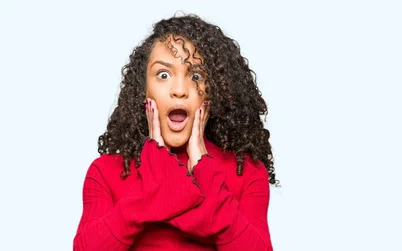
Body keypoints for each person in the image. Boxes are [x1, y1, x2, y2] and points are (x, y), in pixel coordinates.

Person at [73, 14, 277, 251]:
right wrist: (152, 182)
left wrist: (206, 174)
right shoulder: (106, 172)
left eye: (196, 75)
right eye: (163, 75)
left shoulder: (248, 173)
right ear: (144, 91)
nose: (179, 90)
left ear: (212, 93)